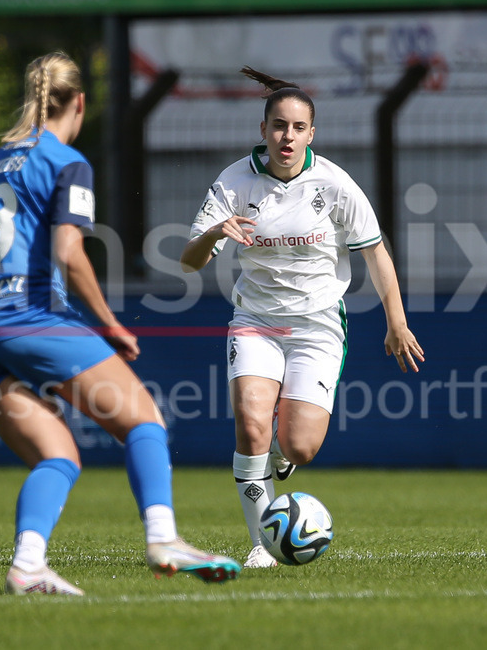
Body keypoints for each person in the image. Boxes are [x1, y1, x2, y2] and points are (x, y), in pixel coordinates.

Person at [0, 50, 241, 596]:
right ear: (79, 103)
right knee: (144, 421)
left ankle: (28, 567)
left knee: (58, 456)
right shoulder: (66, 161)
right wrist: (108, 325)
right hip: (31, 319)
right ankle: (164, 538)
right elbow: (69, 252)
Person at [179, 67, 425, 568]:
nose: (286, 137)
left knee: (300, 446)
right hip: (255, 320)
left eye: (297, 128)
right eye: (278, 126)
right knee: (251, 424)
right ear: (263, 129)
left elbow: (376, 253)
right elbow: (189, 261)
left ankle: (281, 456)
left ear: (312, 133)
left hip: (317, 326)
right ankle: (261, 543)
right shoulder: (234, 181)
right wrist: (215, 233)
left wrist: (396, 322)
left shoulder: (334, 184)